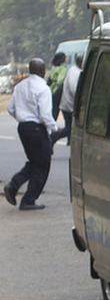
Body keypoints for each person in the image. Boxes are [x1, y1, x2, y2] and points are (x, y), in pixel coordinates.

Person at [4, 58, 59, 211]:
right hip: (36, 129)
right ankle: (28, 199)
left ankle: (14, 185)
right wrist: (55, 128)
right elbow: (45, 115)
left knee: (34, 161)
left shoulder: (20, 86)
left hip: (23, 127)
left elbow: (11, 109)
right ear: (42, 71)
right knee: (42, 164)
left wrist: (24, 119)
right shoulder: (43, 88)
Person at [51, 54, 82, 146]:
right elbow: (74, 89)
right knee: (70, 128)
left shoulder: (73, 70)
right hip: (69, 104)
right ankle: (54, 136)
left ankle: (70, 141)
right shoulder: (74, 72)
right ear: (80, 62)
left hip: (67, 103)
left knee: (70, 126)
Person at [47, 52, 67, 120]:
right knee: (56, 111)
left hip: (51, 91)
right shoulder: (63, 69)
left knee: (52, 109)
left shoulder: (54, 69)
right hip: (58, 91)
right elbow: (60, 80)